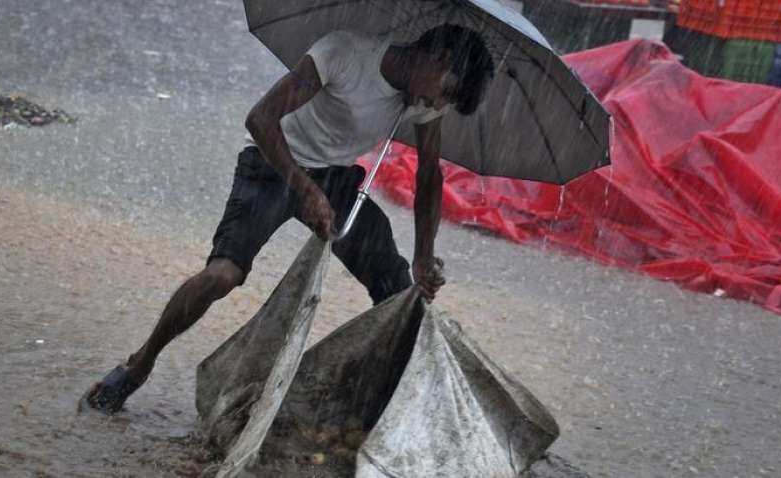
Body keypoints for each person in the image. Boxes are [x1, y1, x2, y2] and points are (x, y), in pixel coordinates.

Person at [83, 24, 494, 414]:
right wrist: (304, 188)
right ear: (438, 59)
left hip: (333, 179)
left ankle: (387, 401)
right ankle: (140, 364)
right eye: (447, 93)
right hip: (271, 163)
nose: (439, 106)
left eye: (447, 104)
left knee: (397, 287)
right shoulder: (344, 53)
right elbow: (260, 119)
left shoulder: (422, 102)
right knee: (223, 275)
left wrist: (425, 255)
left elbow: (428, 177)